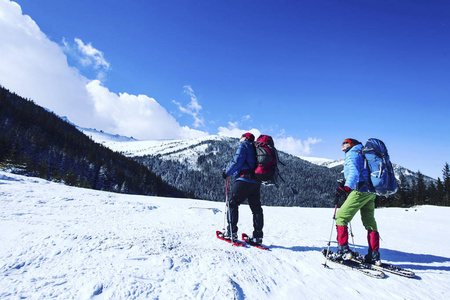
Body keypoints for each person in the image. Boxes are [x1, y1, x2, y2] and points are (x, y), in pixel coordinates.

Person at [334, 138, 381, 265]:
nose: (342, 145)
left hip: (359, 191)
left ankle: (343, 250)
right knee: (370, 222)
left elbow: (354, 173)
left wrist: (346, 188)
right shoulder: (364, 153)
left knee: (341, 217)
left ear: (352, 144)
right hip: (371, 192)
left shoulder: (352, 153)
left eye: (345, 142)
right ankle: (374, 255)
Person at [222, 132, 263, 245]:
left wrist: (227, 173)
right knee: (256, 209)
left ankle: (231, 233)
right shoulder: (256, 148)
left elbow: (237, 161)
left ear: (245, 137)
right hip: (256, 182)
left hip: (244, 180)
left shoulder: (244, 145)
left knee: (233, 203)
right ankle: (257, 237)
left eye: (241, 137)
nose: (240, 139)